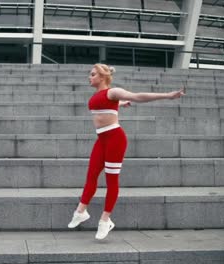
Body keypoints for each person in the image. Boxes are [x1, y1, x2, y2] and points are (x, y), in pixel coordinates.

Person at [67, 63, 185, 240]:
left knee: (111, 179)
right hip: (102, 140)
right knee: (91, 175)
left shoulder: (113, 92)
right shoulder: (102, 96)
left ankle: (105, 220)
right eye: (89, 74)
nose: (89, 77)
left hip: (115, 139)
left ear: (102, 77)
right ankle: (81, 212)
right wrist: (121, 104)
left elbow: (138, 96)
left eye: (92, 74)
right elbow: (106, 106)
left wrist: (168, 95)